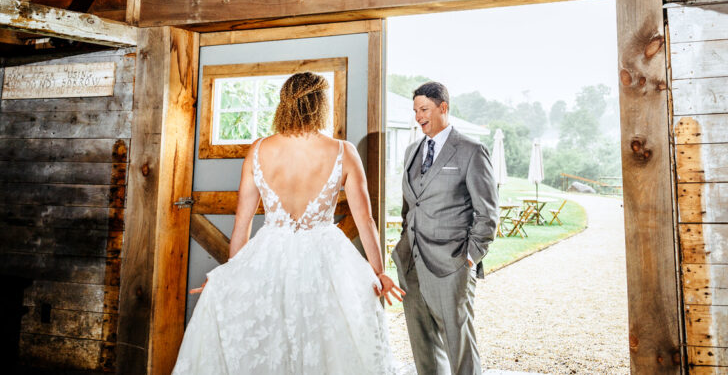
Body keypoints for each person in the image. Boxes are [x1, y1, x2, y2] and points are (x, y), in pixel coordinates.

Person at [172, 72, 404, 374]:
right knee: (325, 341)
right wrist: (379, 272)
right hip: (326, 259)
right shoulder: (343, 151)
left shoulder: (258, 150)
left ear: (285, 103)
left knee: (271, 341)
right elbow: (365, 220)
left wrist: (231, 275)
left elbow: (241, 225)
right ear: (320, 104)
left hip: (270, 255)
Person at [391, 81, 499, 375]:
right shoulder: (412, 150)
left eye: (424, 109)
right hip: (411, 265)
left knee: (459, 348)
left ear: (443, 108)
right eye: (415, 110)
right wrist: (404, 244)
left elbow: (487, 214)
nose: (418, 116)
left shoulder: (471, 151)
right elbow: (409, 206)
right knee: (423, 349)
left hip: (452, 266)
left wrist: (469, 257)